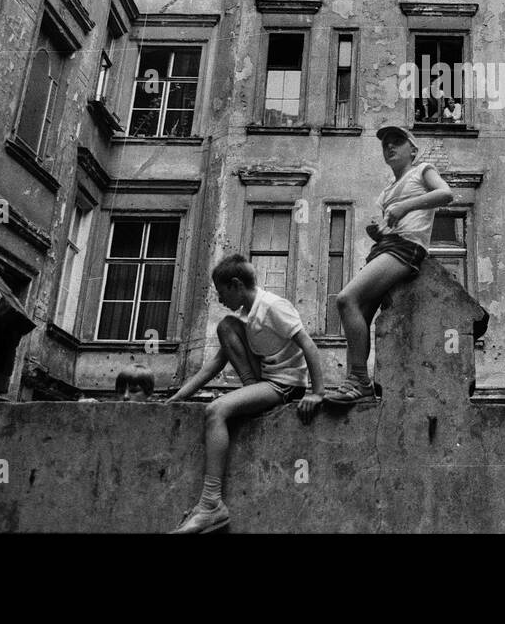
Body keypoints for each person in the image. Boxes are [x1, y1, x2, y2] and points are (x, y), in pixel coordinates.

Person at [167, 253, 326, 533]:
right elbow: (216, 363)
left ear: (236, 285)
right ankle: (250, 389)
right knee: (225, 326)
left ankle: (211, 504)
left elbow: (309, 346)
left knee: (216, 410)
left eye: (221, 292)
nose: (219, 299)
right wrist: (178, 397)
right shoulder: (244, 315)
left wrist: (317, 392)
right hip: (265, 379)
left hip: (285, 385)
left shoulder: (274, 306)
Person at [323, 125, 454, 406]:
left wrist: (405, 207)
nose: (390, 147)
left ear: (413, 150)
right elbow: (393, 224)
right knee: (358, 312)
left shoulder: (422, 170)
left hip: (407, 248)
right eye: (385, 145)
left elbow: (446, 194)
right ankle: (355, 382)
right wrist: (380, 231)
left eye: (397, 142)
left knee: (346, 299)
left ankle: (358, 379)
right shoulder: (386, 192)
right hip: (387, 246)